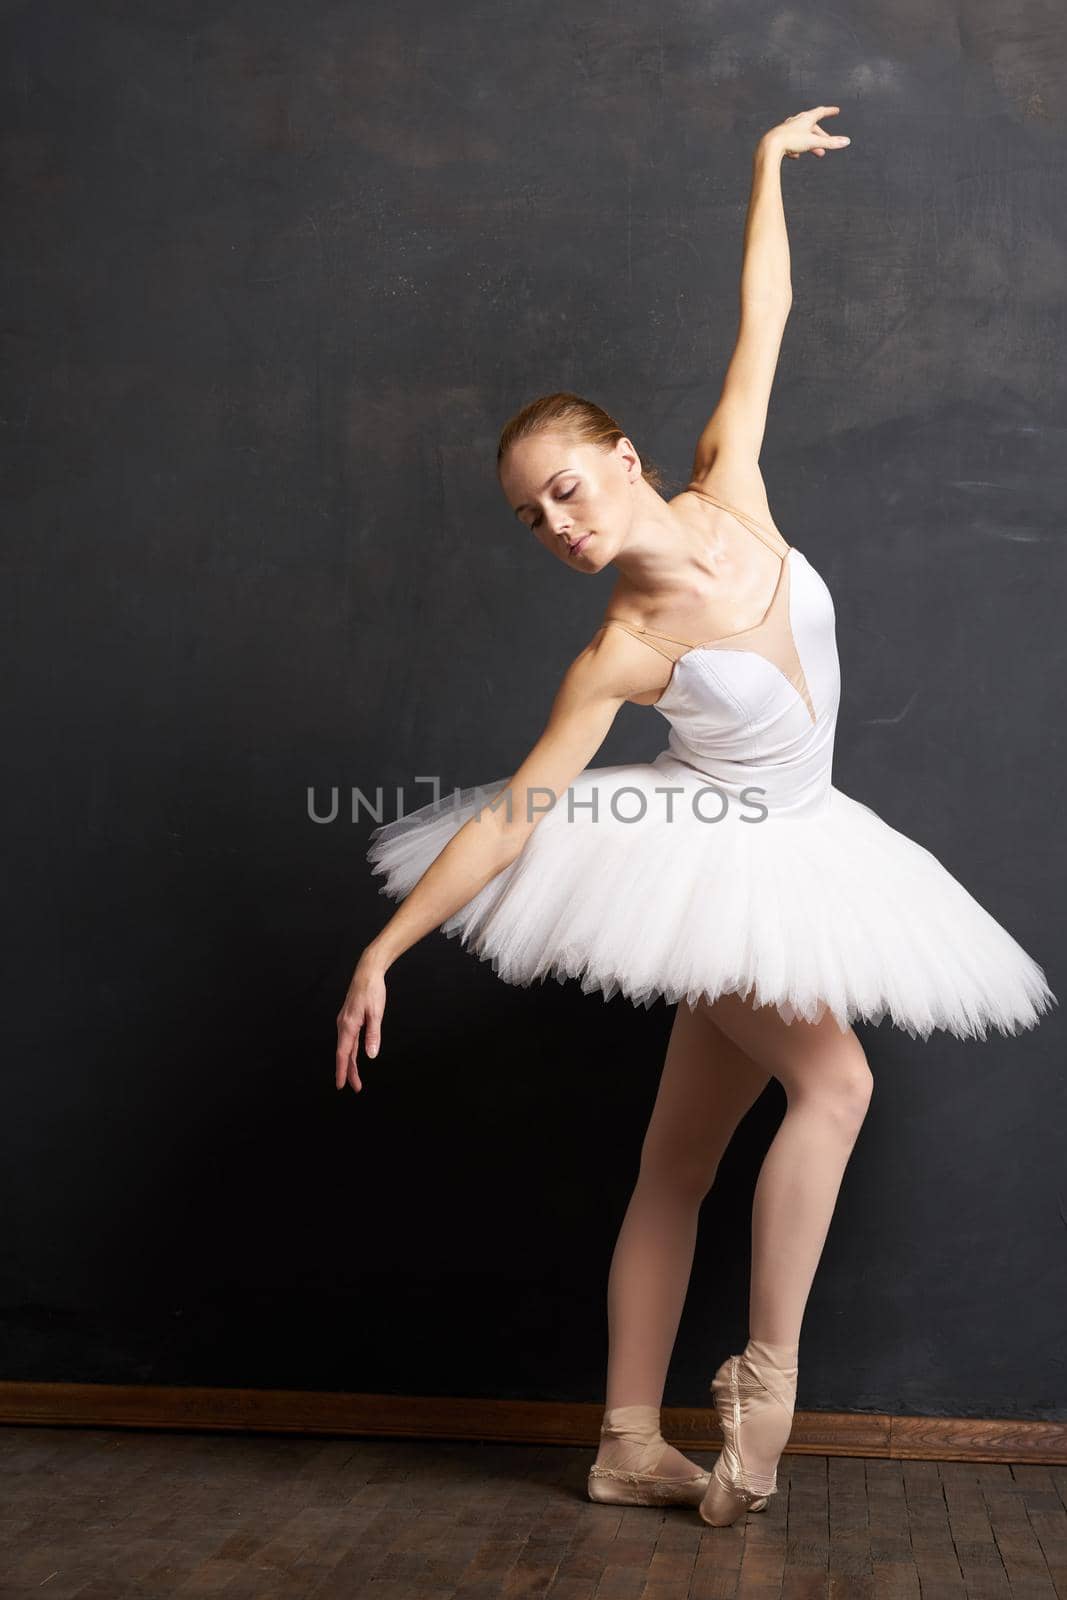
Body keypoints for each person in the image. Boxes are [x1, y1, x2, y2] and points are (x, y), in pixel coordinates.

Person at [334, 107, 1056, 1528]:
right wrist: (386, 949)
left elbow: (764, 312)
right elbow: (519, 814)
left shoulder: (734, 476)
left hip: (806, 843)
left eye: (564, 489)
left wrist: (762, 169)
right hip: (713, 864)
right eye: (531, 519)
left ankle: (620, 1441)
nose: (556, 525)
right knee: (835, 1086)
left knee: (675, 1164)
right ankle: (768, 1387)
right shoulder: (620, 648)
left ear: (623, 456)